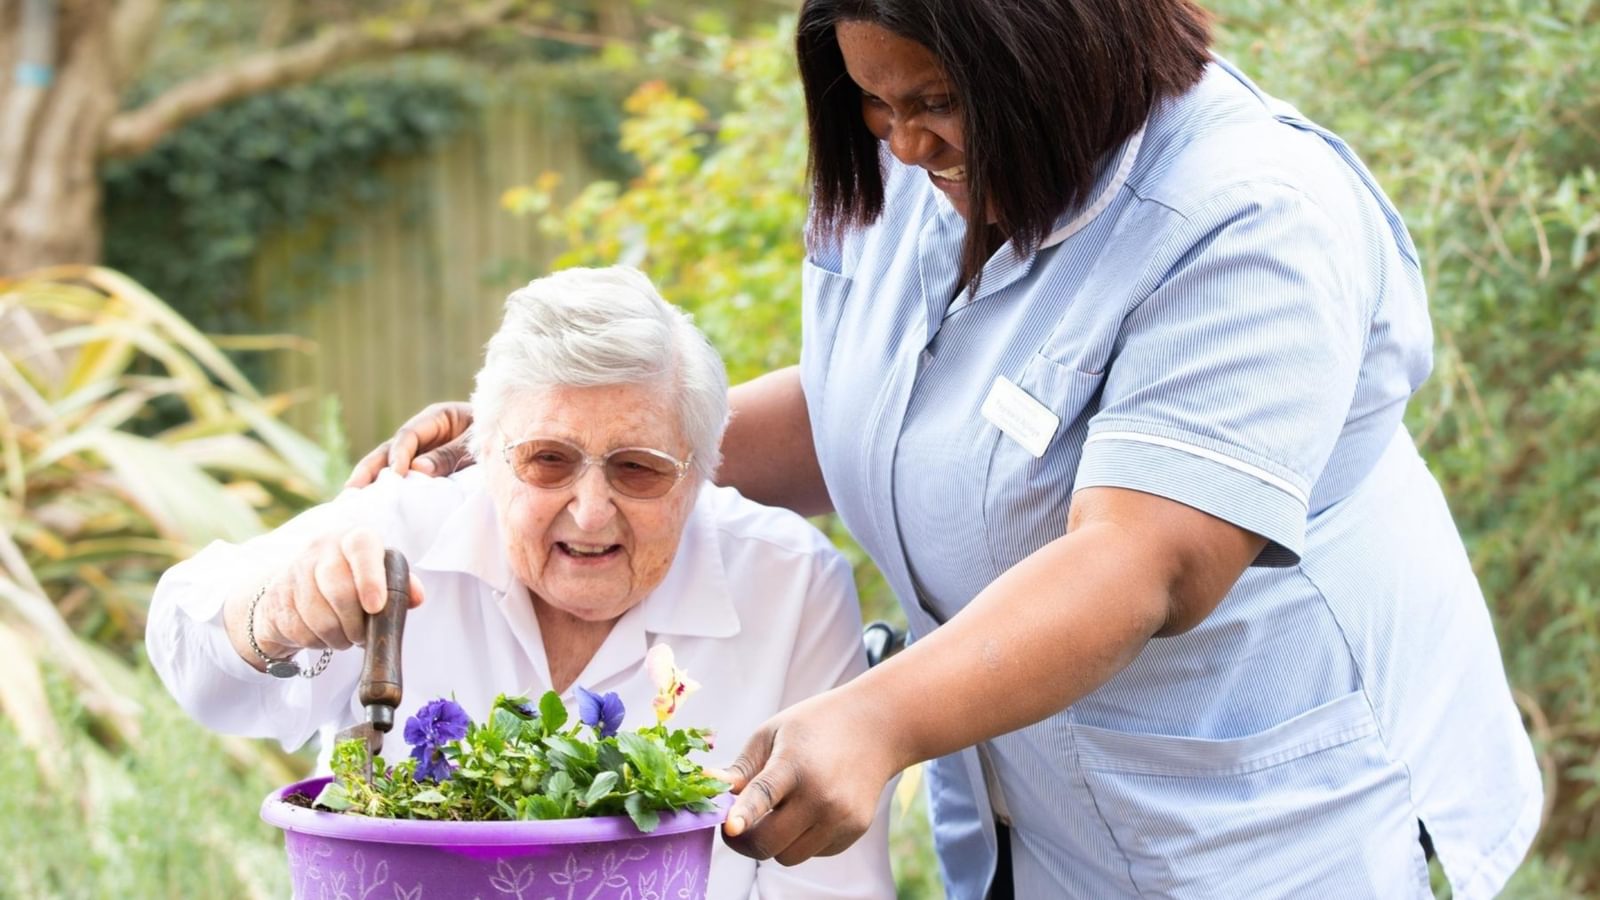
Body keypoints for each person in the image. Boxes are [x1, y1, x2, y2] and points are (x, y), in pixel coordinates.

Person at [347, 2, 1544, 897]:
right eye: (874, 106)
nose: (903, 145)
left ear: (1058, 46)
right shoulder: (922, 169)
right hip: (1037, 831)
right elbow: (873, 413)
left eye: (931, 103)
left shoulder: (1250, 219)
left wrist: (875, 720)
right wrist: (553, 454)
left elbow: (1149, 559)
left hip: (1268, 840)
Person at [146, 266, 896, 900]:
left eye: (638, 467)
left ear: (700, 469)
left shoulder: (790, 583)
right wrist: (273, 615)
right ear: (485, 452)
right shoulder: (401, 528)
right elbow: (188, 647)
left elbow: (831, 884)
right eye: (548, 460)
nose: (591, 510)